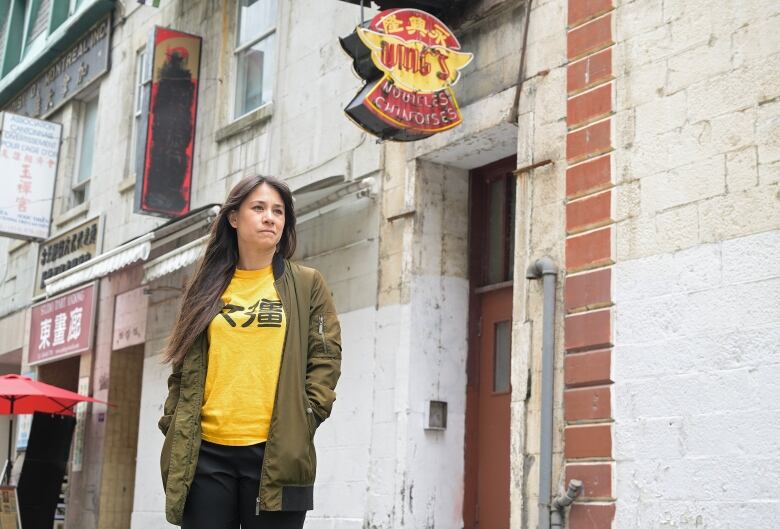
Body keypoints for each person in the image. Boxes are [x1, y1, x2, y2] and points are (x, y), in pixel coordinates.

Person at [158, 175, 342, 529]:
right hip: (205, 454)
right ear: (234, 218)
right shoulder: (205, 286)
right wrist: (173, 420)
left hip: (276, 453)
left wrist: (307, 417)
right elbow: (182, 366)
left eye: (278, 210)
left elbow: (326, 358)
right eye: (258, 208)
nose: (270, 217)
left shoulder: (307, 284)